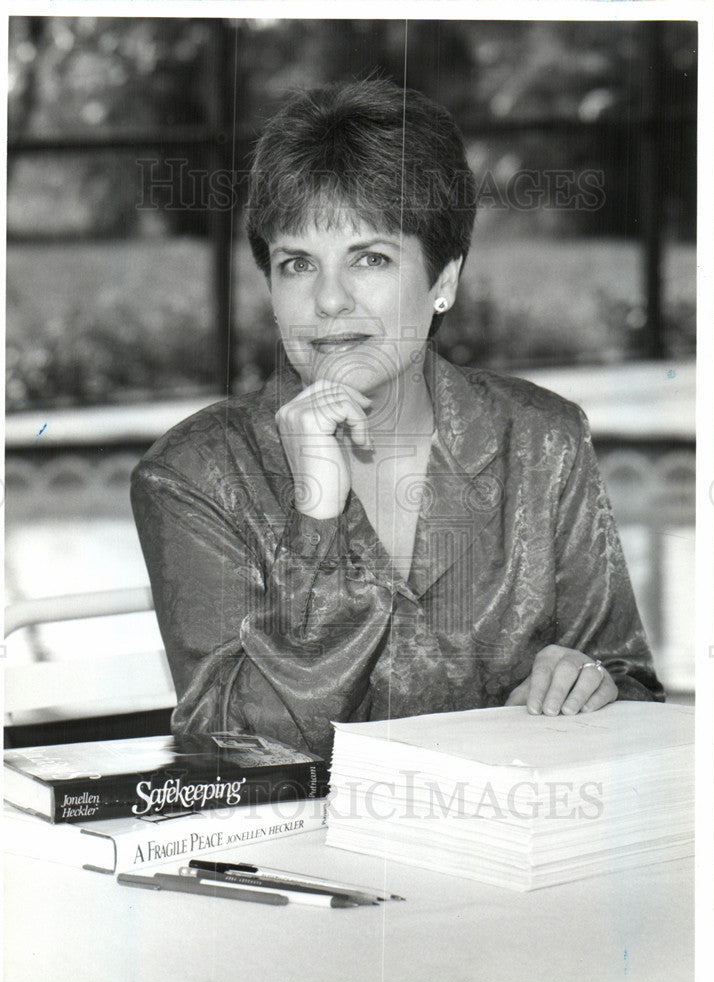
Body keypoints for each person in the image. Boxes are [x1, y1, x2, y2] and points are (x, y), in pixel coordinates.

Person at [131, 78, 664, 762]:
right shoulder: (194, 476)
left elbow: (628, 685)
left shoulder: (542, 439)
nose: (328, 300)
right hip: (295, 860)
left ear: (443, 281)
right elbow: (234, 748)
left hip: (513, 851)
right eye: (297, 264)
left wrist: (588, 683)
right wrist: (318, 520)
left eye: (371, 259)